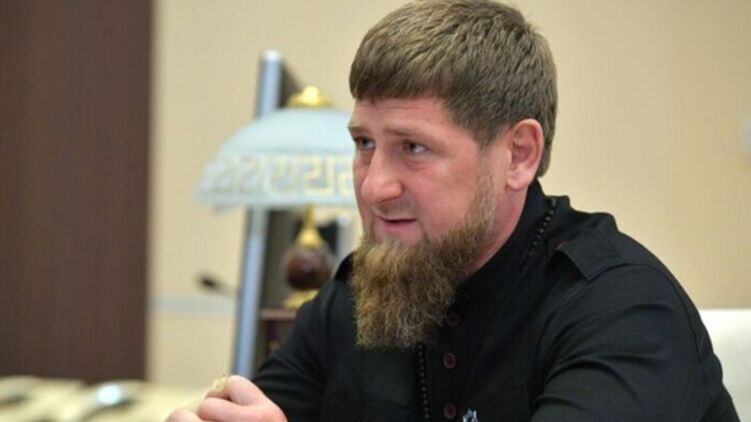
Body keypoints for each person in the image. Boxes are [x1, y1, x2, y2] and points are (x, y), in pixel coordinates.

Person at [168, 0, 739, 421]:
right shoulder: (356, 297)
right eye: (364, 143)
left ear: (519, 154)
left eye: (414, 148)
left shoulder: (623, 310)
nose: (374, 186)